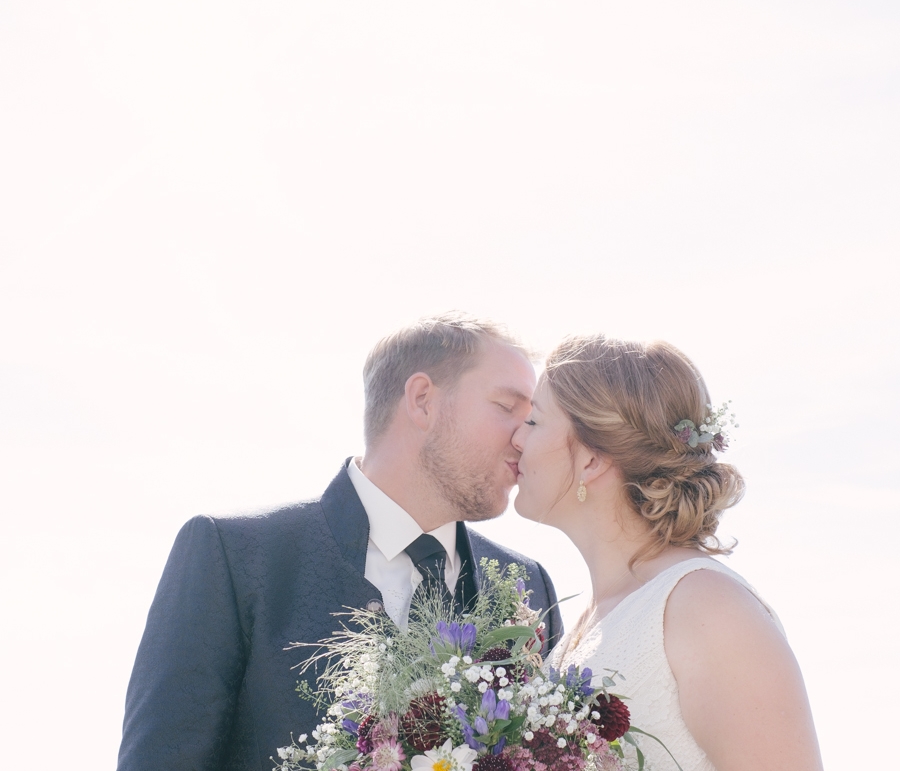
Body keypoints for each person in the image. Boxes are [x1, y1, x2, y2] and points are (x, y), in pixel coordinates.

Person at [118, 313, 562, 771]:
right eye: (507, 408)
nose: (523, 437)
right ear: (423, 400)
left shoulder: (531, 587)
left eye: (531, 419)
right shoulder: (233, 557)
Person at [512, 334, 823, 771]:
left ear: (591, 459)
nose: (515, 439)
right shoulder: (591, 618)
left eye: (533, 421)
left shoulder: (707, 607)